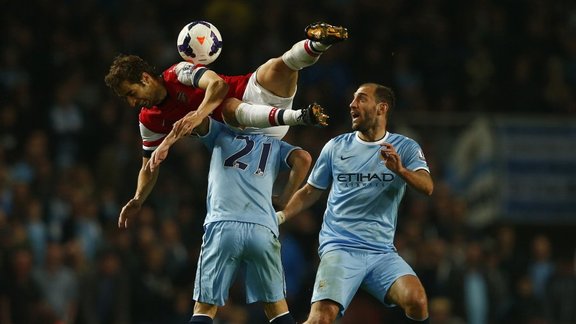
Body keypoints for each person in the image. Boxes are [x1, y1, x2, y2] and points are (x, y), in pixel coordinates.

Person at [104, 22, 347, 228]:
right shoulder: (149, 119)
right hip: (241, 125)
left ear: (145, 78)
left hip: (254, 97)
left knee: (279, 66)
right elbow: (149, 164)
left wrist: (198, 115)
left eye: (131, 93)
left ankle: (318, 43)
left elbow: (217, 85)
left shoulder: (178, 73)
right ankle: (300, 116)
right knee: (228, 107)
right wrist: (138, 197)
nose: (132, 102)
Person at [277, 83, 434, 324]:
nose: (352, 104)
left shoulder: (405, 147)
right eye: (352, 99)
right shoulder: (336, 146)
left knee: (418, 301)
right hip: (340, 248)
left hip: (381, 252)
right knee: (320, 319)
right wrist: (281, 217)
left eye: (361, 99)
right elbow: (310, 190)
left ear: (381, 108)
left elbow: (427, 187)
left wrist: (400, 170)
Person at [147, 99, 313, 324]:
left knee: (205, 308)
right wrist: (283, 199)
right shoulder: (272, 144)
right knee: (277, 309)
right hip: (262, 228)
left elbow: (197, 120)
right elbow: (304, 159)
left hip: (223, 224)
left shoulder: (221, 132)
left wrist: (177, 122)